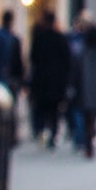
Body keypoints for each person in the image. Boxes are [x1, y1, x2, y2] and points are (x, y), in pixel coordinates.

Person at [26, 14, 71, 149]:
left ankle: (42, 131)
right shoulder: (60, 38)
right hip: (56, 82)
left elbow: (32, 59)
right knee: (54, 110)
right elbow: (67, 61)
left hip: (41, 80)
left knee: (41, 108)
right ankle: (53, 134)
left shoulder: (39, 39)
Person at [70, 25, 96, 159]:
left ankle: (87, 143)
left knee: (87, 118)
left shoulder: (82, 53)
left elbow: (74, 73)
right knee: (92, 119)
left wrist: (73, 87)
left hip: (84, 91)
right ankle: (90, 143)